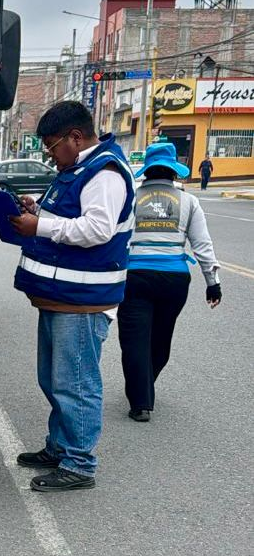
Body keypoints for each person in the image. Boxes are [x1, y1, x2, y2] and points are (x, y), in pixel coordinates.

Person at [8, 101, 135, 492]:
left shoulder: (105, 172)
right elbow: (67, 215)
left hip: (83, 299)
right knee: (53, 378)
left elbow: (97, 229)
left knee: (75, 382)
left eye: (52, 145)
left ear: (75, 138)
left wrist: (41, 225)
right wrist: (36, 209)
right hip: (60, 295)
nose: (49, 154)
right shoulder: (76, 169)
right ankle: (60, 447)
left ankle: (79, 464)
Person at [117, 142, 222, 422]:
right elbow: (202, 244)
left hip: (135, 276)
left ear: (147, 171)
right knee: (161, 338)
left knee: (134, 340)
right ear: (174, 172)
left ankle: (141, 402)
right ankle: (145, 385)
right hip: (174, 280)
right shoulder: (188, 201)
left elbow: (117, 237)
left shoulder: (132, 198)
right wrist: (213, 282)